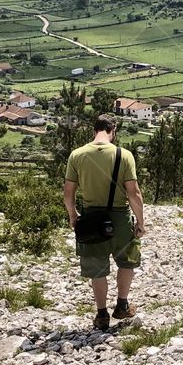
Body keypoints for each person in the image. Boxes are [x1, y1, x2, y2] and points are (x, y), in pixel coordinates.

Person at [64, 114, 145, 329]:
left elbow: (68, 193)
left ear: (94, 131)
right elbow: (134, 193)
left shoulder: (77, 155)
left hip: (90, 218)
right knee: (127, 262)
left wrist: (73, 216)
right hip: (119, 217)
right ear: (113, 131)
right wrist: (140, 221)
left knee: (97, 267)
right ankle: (122, 305)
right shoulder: (124, 155)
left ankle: (101, 314)